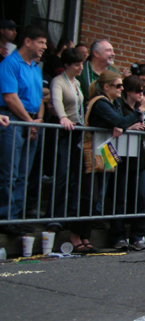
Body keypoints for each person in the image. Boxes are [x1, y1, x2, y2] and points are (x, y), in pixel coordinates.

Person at [0, 26, 47, 224]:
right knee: (9, 172)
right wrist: (29, 123)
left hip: (30, 121)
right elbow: (11, 97)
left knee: (23, 173)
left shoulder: (35, 68)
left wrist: (39, 120)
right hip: (13, 120)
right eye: (41, 42)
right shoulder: (10, 63)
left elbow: (40, 98)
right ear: (28, 41)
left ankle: (16, 216)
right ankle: (5, 217)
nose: (44, 47)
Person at [101, 74, 145, 251]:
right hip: (121, 158)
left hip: (139, 158)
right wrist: (132, 125)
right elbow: (119, 124)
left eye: (143, 91)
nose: (141, 94)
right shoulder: (119, 107)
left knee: (140, 197)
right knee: (120, 198)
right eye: (138, 91)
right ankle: (118, 236)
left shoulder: (140, 108)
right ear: (129, 92)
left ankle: (138, 235)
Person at [47, 47, 86, 241]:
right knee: (61, 173)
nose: (80, 67)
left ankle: (70, 212)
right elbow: (57, 100)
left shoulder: (76, 83)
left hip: (78, 130)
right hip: (64, 131)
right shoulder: (59, 81)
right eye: (77, 64)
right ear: (67, 65)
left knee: (74, 175)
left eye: (81, 63)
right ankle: (55, 215)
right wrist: (62, 117)